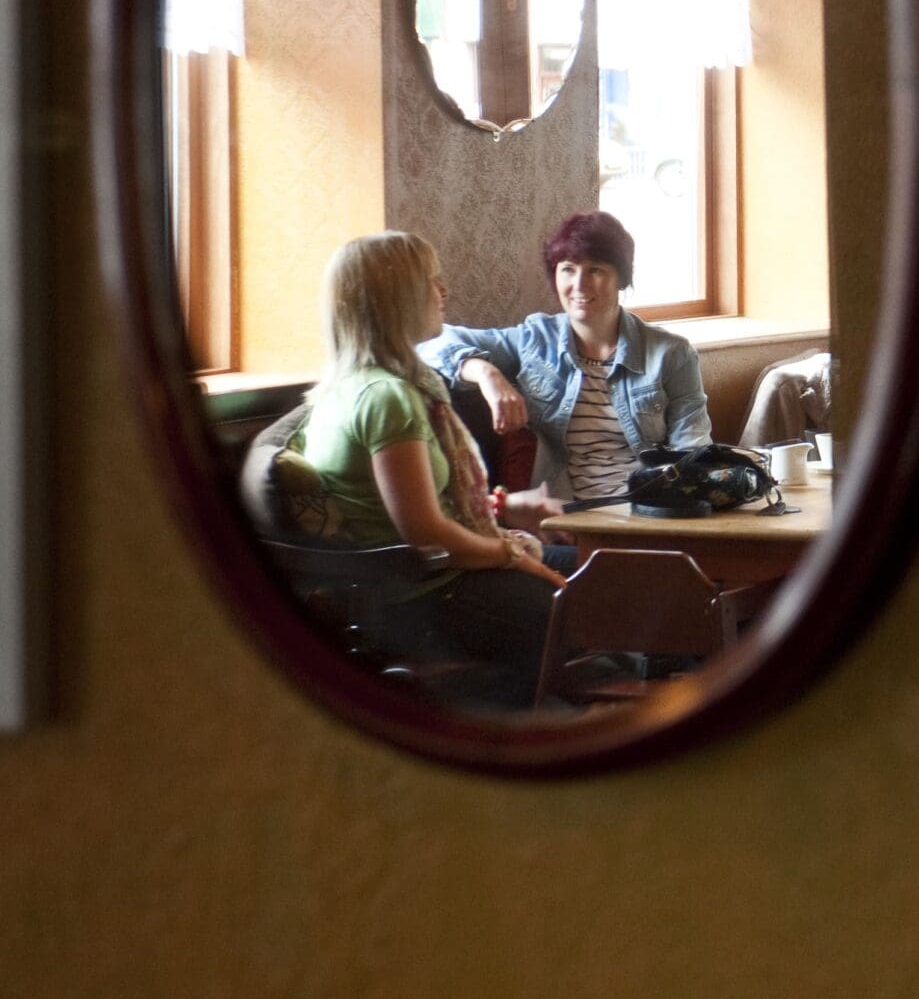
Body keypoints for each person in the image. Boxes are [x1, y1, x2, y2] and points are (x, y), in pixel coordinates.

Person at [290, 231, 568, 707]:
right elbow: (426, 532)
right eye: (431, 282)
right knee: (613, 584)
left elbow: (418, 504)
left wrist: (504, 505)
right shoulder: (388, 398)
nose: (444, 291)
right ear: (395, 300)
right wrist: (511, 557)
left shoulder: (346, 387)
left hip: (417, 588)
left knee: (606, 569)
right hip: (427, 600)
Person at [421, 210, 710, 508]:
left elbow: (693, 450)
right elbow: (430, 342)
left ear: (621, 278)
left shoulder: (671, 354)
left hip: (649, 509)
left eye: (596, 270)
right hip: (566, 516)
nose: (579, 285)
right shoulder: (535, 340)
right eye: (568, 269)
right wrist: (486, 373)